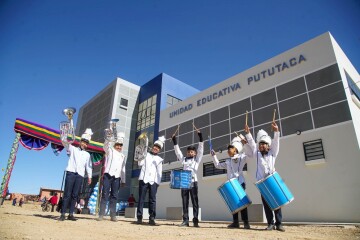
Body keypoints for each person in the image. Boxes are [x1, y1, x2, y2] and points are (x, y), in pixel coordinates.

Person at [246, 121, 285, 232]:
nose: (262, 146)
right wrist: (248, 133)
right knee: (267, 204)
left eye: (264, 144)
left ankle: (279, 224)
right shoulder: (257, 154)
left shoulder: (273, 153)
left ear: (268, 145)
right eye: (260, 144)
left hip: (273, 181)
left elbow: (276, 142)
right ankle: (270, 224)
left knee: (277, 203)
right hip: (262, 183)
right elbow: (252, 144)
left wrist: (276, 131)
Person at [211, 134, 251, 229]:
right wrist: (214, 156)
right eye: (228, 149)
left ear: (236, 149)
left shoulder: (241, 157)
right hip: (231, 184)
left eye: (231, 148)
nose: (228, 150)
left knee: (242, 203)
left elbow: (250, 153)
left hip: (240, 183)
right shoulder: (228, 161)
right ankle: (235, 222)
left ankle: (246, 222)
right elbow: (217, 165)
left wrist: (245, 144)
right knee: (234, 202)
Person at [59, 128, 93, 221]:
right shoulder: (72, 149)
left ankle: (71, 214)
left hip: (80, 175)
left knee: (75, 195)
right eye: (83, 142)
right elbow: (64, 142)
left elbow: (89, 166)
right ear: (80, 142)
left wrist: (89, 176)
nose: (84, 144)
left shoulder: (87, 155)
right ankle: (62, 214)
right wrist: (65, 132)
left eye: (86, 143)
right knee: (67, 194)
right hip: (71, 172)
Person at [171, 129, 203, 227]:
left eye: (192, 152)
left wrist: (200, 136)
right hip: (184, 183)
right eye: (188, 152)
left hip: (193, 182)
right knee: (185, 202)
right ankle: (185, 220)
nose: (190, 153)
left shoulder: (197, 160)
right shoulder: (183, 160)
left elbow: (201, 149)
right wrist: (174, 140)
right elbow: (178, 152)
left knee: (194, 202)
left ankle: (195, 220)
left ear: (195, 153)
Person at [135, 135, 165, 225]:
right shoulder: (146, 154)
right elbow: (140, 164)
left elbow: (160, 172)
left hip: (153, 182)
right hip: (143, 179)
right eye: (155, 146)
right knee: (141, 198)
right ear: (153, 147)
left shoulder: (159, 159)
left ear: (159, 150)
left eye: (158, 148)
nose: (156, 148)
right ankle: (139, 217)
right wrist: (140, 154)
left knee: (152, 200)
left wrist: (158, 183)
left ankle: (152, 218)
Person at [98, 132, 126, 222]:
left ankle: (112, 215)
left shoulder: (123, 156)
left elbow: (123, 169)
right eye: (117, 145)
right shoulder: (110, 151)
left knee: (114, 196)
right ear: (115, 145)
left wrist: (123, 180)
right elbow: (105, 146)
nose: (119, 147)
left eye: (120, 146)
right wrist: (108, 138)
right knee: (105, 194)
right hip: (108, 175)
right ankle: (101, 214)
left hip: (117, 178)